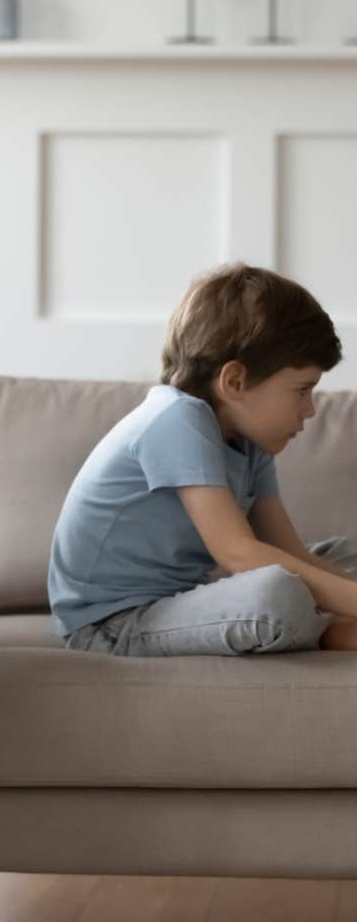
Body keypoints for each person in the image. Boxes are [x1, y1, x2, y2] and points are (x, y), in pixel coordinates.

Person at [48, 263, 357, 658]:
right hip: (111, 623)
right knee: (277, 593)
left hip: (178, 602)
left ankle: (321, 620)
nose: (310, 410)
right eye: (302, 390)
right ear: (234, 382)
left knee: (338, 553)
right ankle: (330, 629)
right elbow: (238, 554)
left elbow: (290, 552)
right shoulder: (177, 418)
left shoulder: (251, 443)